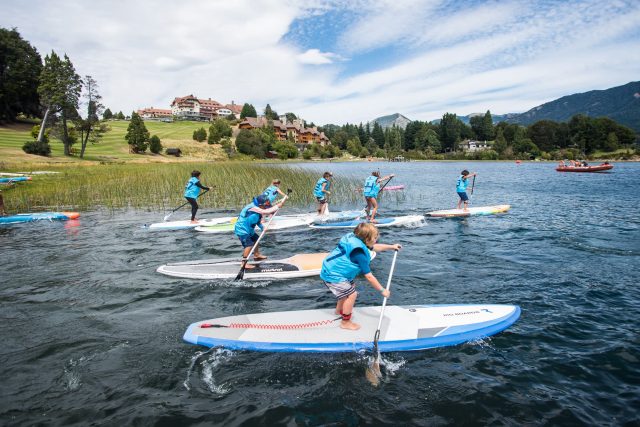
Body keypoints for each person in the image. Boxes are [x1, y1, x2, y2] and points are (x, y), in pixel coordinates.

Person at [320, 223, 402, 330]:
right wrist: (382, 290)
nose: (376, 239)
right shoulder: (360, 254)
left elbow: (375, 247)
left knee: (346, 292)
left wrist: (392, 247)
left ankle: (339, 311)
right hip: (333, 276)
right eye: (375, 237)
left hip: (332, 271)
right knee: (352, 295)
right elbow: (369, 277)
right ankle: (345, 322)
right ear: (367, 239)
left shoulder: (357, 240)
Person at [234, 194, 286, 264]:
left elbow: (258, 221)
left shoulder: (259, 211)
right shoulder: (252, 207)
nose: (265, 207)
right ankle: (244, 263)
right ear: (260, 204)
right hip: (242, 230)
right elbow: (266, 212)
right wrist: (277, 206)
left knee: (256, 239)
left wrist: (262, 227)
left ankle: (256, 254)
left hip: (250, 230)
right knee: (249, 245)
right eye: (264, 206)